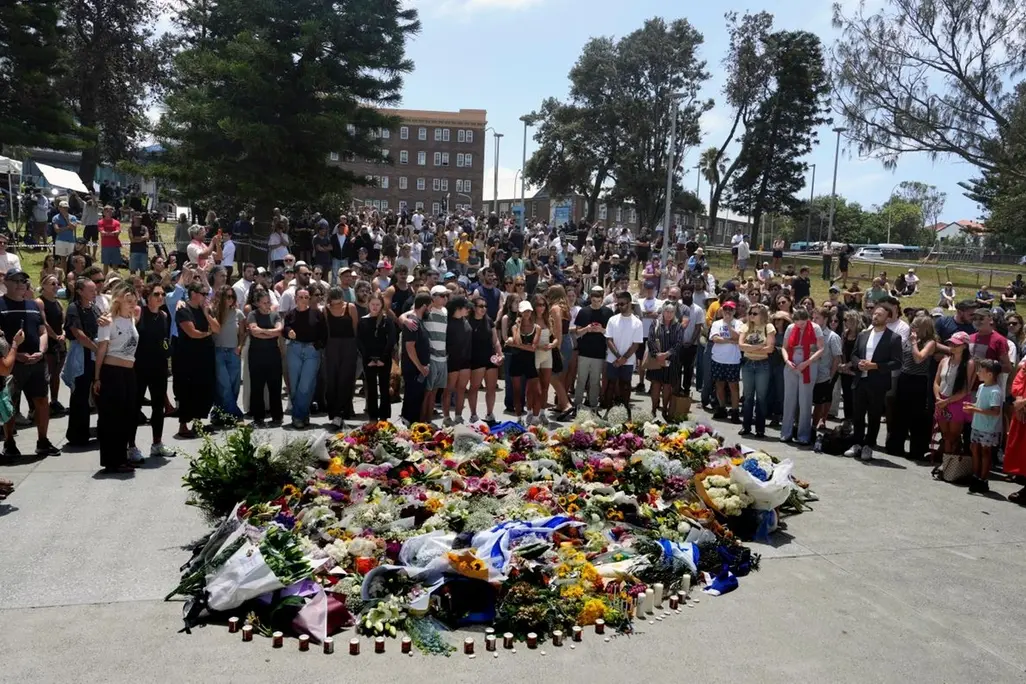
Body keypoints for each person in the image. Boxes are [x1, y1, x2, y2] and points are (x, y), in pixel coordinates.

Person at [0, 269, 60, 458]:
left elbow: (42, 331)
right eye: (16, 280)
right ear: (6, 282)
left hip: (36, 362)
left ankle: (43, 441)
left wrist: (41, 351)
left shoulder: (33, 305)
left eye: (24, 280)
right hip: (12, 364)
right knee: (11, 404)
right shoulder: (0, 305)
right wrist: (17, 354)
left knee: (42, 401)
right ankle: (9, 443)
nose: (20, 284)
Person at [94, 282, 142, 472]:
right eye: (128, 301)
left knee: (128, 415)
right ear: (118, 301)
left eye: (134, 300)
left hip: (129, 372)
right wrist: (97, 377)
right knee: (112, 417)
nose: (132, 304)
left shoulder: (131, 319)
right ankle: (112, 460)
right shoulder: (108, 321)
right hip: (112, 372)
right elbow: (102, 349)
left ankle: (122, 456)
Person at [845, 305, 903, 461]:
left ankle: (868, 445)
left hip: (877, 383)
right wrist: (858, 364)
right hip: (860, 380)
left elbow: (897, 363)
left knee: (874, 416)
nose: (875, 316)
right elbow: (854, 354)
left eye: (880, 314)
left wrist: (875, 366)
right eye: (875, 313)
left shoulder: (893, 338)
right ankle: (856, 443)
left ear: (888, 318)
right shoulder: (863, 335)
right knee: (857, 414)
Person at [886, 314, 937, 460]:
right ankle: (895, 446)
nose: (912, 328)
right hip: (904, 377)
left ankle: (917, 450)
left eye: (915, 325)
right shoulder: (910, 339)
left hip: (919, 381)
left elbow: (919, 358)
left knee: (917, 416)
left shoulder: (930, 342)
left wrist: (914, 343)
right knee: (900, 413)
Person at [173, 282, 219, 438]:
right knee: (188, 390)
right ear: (193, 293)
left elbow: (217, 328)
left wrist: (207, 314)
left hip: (205, 355)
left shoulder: (204, 309)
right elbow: (192, 332)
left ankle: (198, 423)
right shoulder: (183, 310)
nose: (206, 297)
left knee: (205, 388)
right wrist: (207, 333)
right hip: (189, 357)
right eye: (203, 294)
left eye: (207, 294)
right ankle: (183, 426)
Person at [135, 281, 172, 457]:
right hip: (139, 366)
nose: (160, 297)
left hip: (159, 367)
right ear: (147, 297)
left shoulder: (164, 315)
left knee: (158, 406)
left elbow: (165, 340)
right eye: (156, 294)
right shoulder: (138, 312)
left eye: (162, 294)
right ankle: (131, 446)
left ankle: (157, 444)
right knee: (134, 407)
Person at [780, 308, 823, 445]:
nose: (800, 326)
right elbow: (784, 347)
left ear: (807, 320)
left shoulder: (815, 328)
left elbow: (821, 348)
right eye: (797, 323)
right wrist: (787, 360)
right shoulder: (791, 328)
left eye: (803, 324)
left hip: (808, 365)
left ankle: (803, 435)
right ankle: (786, 432)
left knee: (805, 401)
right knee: (789, 399)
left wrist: (807, 363)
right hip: (791, 365)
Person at [283, 285, 323, 428]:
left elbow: (323, 333)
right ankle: (303, 414)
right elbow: (284, 328)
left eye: (306, 297)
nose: (304, 300)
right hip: (294, 349)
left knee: (305, 385)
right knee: (294, 386)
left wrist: (317, 345)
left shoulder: (317, 313)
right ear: (295, 298)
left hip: (312, 351)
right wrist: (288, 332)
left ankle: (297, 417)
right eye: (301, 297)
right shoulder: (290, 314)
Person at [322, 286, 360, 426]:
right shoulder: (325, 310)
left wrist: (355, 347)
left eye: (339, 303)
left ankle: (343, 412)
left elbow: (356, 328)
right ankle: (333, 412)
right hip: (332, 347)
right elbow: (326, 329)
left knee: (346, 379)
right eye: (334, 303)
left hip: (349, 346)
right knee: (332, 380)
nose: (336, 305)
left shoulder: (350, 308)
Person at [965, 359, 1004, 494]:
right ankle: (976, 475)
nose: (978, 373)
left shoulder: (995, 391)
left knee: (985, 452)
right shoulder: (982, 387)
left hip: (988, 428)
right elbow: (980, 405)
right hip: (977, 425)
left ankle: (983, 478)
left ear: (990, 374)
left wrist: (975, 410)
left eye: (981, 371)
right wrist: (972, 406)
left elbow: (995, 411)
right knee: (974, 449)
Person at [246, 289, 284, 426]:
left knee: (275, 386)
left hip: (273, 354)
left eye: (268, 302)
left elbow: (279, 331)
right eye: (264, 303)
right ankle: (258, 417)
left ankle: (277, 416)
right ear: (257, 303)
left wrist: (263, 331)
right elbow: (254, 333)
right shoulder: (252, 314)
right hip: (256, 355)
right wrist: (270, 333)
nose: (267, 305)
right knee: (257, 387)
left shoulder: (275, 315)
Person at [934, 331, 974, 459]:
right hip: (942, 400)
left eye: (956, 344)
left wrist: (947, 401)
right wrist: (938, 398)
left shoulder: (969, 364)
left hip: (957, 402)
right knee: (945, 435)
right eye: (951, 343)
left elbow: (965, 390)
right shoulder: (944, 361)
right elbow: (936, 381)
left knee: (953, 435)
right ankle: (946, 462)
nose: (952, 346)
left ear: (965, 346)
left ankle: (951, 462)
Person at [357, 293, 397, 422]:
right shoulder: (363, 320)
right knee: (371, 387)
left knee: (384, 387)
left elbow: (391, 340)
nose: (375, 307)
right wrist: (368, 359)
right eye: (372, 304)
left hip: (383, 359)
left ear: (381, 305)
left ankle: (384, 416)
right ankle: (373, 416)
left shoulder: (387, 320)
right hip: (368, 359)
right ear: (368, 304)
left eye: (377, 304)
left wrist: (383, 358)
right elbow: (360, 341)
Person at [738, 304, 776, 437]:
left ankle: (760, 428)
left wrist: (752, 348)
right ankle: (746, 426)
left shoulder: (768, 327)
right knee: (748, 397)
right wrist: (760, 347)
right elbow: (741, 346)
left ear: (762, 314)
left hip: (762, 365)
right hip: (748, 364)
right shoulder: (746, 326)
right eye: (750, 313)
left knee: (761, 397)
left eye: (755, 313)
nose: (752, 316)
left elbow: (770, 348)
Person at [604, 290, 644, 412]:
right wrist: (618, 357)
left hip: (628, 360)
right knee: (611, 384)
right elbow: (609, 339)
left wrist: (623, 359)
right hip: (613, 359)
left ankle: (626, 410)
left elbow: (636, 344)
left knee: (626, 385)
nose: (620, 306)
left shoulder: (637, 322)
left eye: (622, 304)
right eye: (618, 304)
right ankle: (608, 410)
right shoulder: (612, 319)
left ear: (629, 303)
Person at [211, 286, 245, 423]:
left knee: (233, 385)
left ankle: (219, 413)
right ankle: (235, 414)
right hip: (218, 351)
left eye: (232, 297)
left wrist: (240, 347)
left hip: (233, 351)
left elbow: (242, 333)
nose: (230, 299)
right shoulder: (214, 312)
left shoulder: (239, 313)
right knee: (223, 385)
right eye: (227, 296)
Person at [644, 302, 684, 418]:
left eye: (672, 312)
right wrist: (657, 354)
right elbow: (650, 339)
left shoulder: (678, 326)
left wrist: (667, 354)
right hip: (656, 359)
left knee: (667, 385)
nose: (669, 314)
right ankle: (653, 409)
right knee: (655, 384)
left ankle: (665, 409)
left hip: (671, 360)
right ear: (663, 311)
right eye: (667, 311)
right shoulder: (655, 323)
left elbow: (679, 343)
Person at [468, 295, 501, 423]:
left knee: (491, 388)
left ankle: (490, 414)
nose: (484, 309)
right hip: (476, 358)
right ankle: (473, 415)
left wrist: (500, 354)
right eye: (481, 306)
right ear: (474, 308)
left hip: (490, 358)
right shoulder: (468, 321)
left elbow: (496, 340)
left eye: (485, 306)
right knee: (474, 387)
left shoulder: (489, 320)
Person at [36, 274, 66, 417]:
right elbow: (44, 323)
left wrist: (63, 334)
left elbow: (63, 322)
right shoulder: (39, 302)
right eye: (52, 284)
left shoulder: (58, 303)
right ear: (44, 286)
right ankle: (43, 404)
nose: (56, 286)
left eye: (57, 284)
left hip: (60, 342)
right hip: (49, 342)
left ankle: (54, 401)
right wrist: (55, 336)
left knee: (56, 375)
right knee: (47, 374)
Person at [400, 292, 432, 425]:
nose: (429, 310)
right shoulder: (413, 322)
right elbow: (410, 348)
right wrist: (420, 367)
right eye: (429, 307)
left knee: (416, 402)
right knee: (411, 402)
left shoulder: (417, 320)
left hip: (420, 370)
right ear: (424, 306)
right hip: (413, 370)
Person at [709, 300, 743, 422]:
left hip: (733, 360)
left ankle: (734, 412)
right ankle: (721, 407)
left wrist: (728, 325)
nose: (728, 312)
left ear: (734, 311)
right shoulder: (717, 324)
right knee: (719, 385)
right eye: (725, 309)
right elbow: (715, 338)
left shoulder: (739, 323)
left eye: (730, 309)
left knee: (734, 386)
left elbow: (738, 337)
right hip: (718, 358)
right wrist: (730, 340)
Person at [507, 300, 540, 422]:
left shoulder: (537, 328)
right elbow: (517, 341)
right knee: (517, 392)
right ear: (520, 312)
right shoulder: (515, 327)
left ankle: (535, 419)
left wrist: (515, 345)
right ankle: (519, 417)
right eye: (524, 311)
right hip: (516, 361)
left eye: (529, 311)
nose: (527, 313)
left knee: (535, 391)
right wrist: (518, 327)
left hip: (530, 362)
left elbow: (533, 348)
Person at [812, 307, 842, 431]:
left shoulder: (832, 337)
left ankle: (816, 425)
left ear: (825, 319)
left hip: (823, 374)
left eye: (817, 318)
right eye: (813, 318)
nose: (814, 320)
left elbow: (836, 358)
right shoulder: (810, 333)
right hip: (810, 373)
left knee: (820, 402)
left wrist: (830, 375)